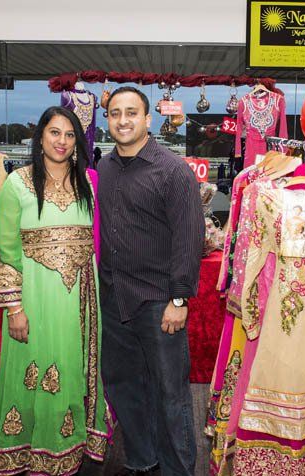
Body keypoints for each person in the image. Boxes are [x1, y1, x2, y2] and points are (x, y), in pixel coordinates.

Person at [0, 106, 111, 475]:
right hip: (35, 301)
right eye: (54, 133)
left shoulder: (91, 183)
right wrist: (14, 309)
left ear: (78, 142)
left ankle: (71, 448)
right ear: (40, 137)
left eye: (69, 135)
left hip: (81, 301)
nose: (61, 141)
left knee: (75, 369)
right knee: (31, 371)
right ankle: (28, 448)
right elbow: (6, 249)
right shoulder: (17, 184)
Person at [97, 86, 204, 476]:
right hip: (114, 299)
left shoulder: (172, 171)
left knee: (170, 394)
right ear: (107, 119)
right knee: (123, 385)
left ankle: (178, 470)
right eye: (114, 113)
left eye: (131, 113)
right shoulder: (104, 167)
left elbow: (189, 238)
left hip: (160, 302)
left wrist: (179, 300)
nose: (122, 120)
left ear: (147, 119)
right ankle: (143, 460)